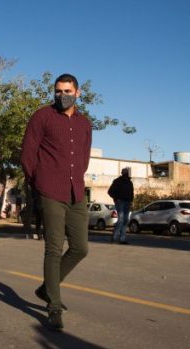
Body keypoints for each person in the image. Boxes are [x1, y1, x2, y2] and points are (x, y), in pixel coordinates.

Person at [21, 73, 92, 332]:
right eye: (58, 91)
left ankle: (46, 288)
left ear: (78, 92)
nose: (63, 96)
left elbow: (83, 156)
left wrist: (77, 178)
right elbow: (28, 154)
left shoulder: (85, 123)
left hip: (76, 192)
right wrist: (38, 185)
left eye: (67, 91)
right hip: (50, 190)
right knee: (53, 249)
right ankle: (53, 306)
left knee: (80, 248)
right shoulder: (42, 116)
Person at [108, 168, 134, 244]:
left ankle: (122, 239)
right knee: (121, 220)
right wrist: (116, 199)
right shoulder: (117, 181)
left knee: (126, 220)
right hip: (120, 202)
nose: (126, 173)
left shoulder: (130, 182)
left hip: (127, 202)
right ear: (122, 173)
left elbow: (132, 192)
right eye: (124, 172)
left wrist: (131, 200)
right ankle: (114, 237)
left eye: (127, 172)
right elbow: (110, 192)